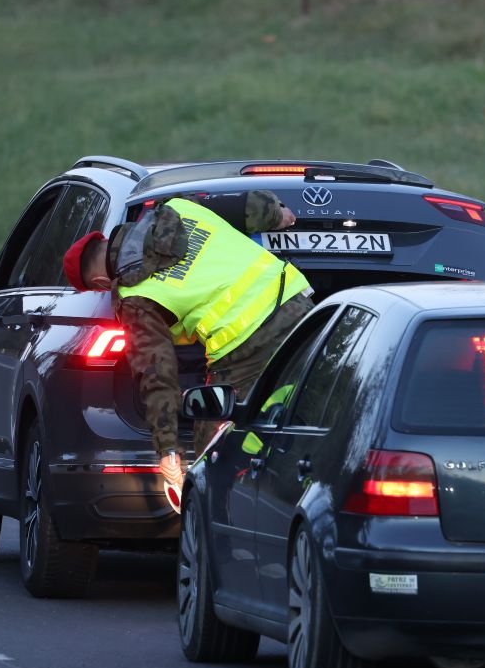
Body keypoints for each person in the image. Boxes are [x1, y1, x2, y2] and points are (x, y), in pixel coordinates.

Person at [62, 190, 311, 511]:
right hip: (300, 309)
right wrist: (279, 215)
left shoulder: (135, 295)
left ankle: (227, 541)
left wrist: (169, 455)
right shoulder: (180, 207)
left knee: (215, 462)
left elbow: (156, 375)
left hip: (247, 349)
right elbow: (250, 205)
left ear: (99, 281)